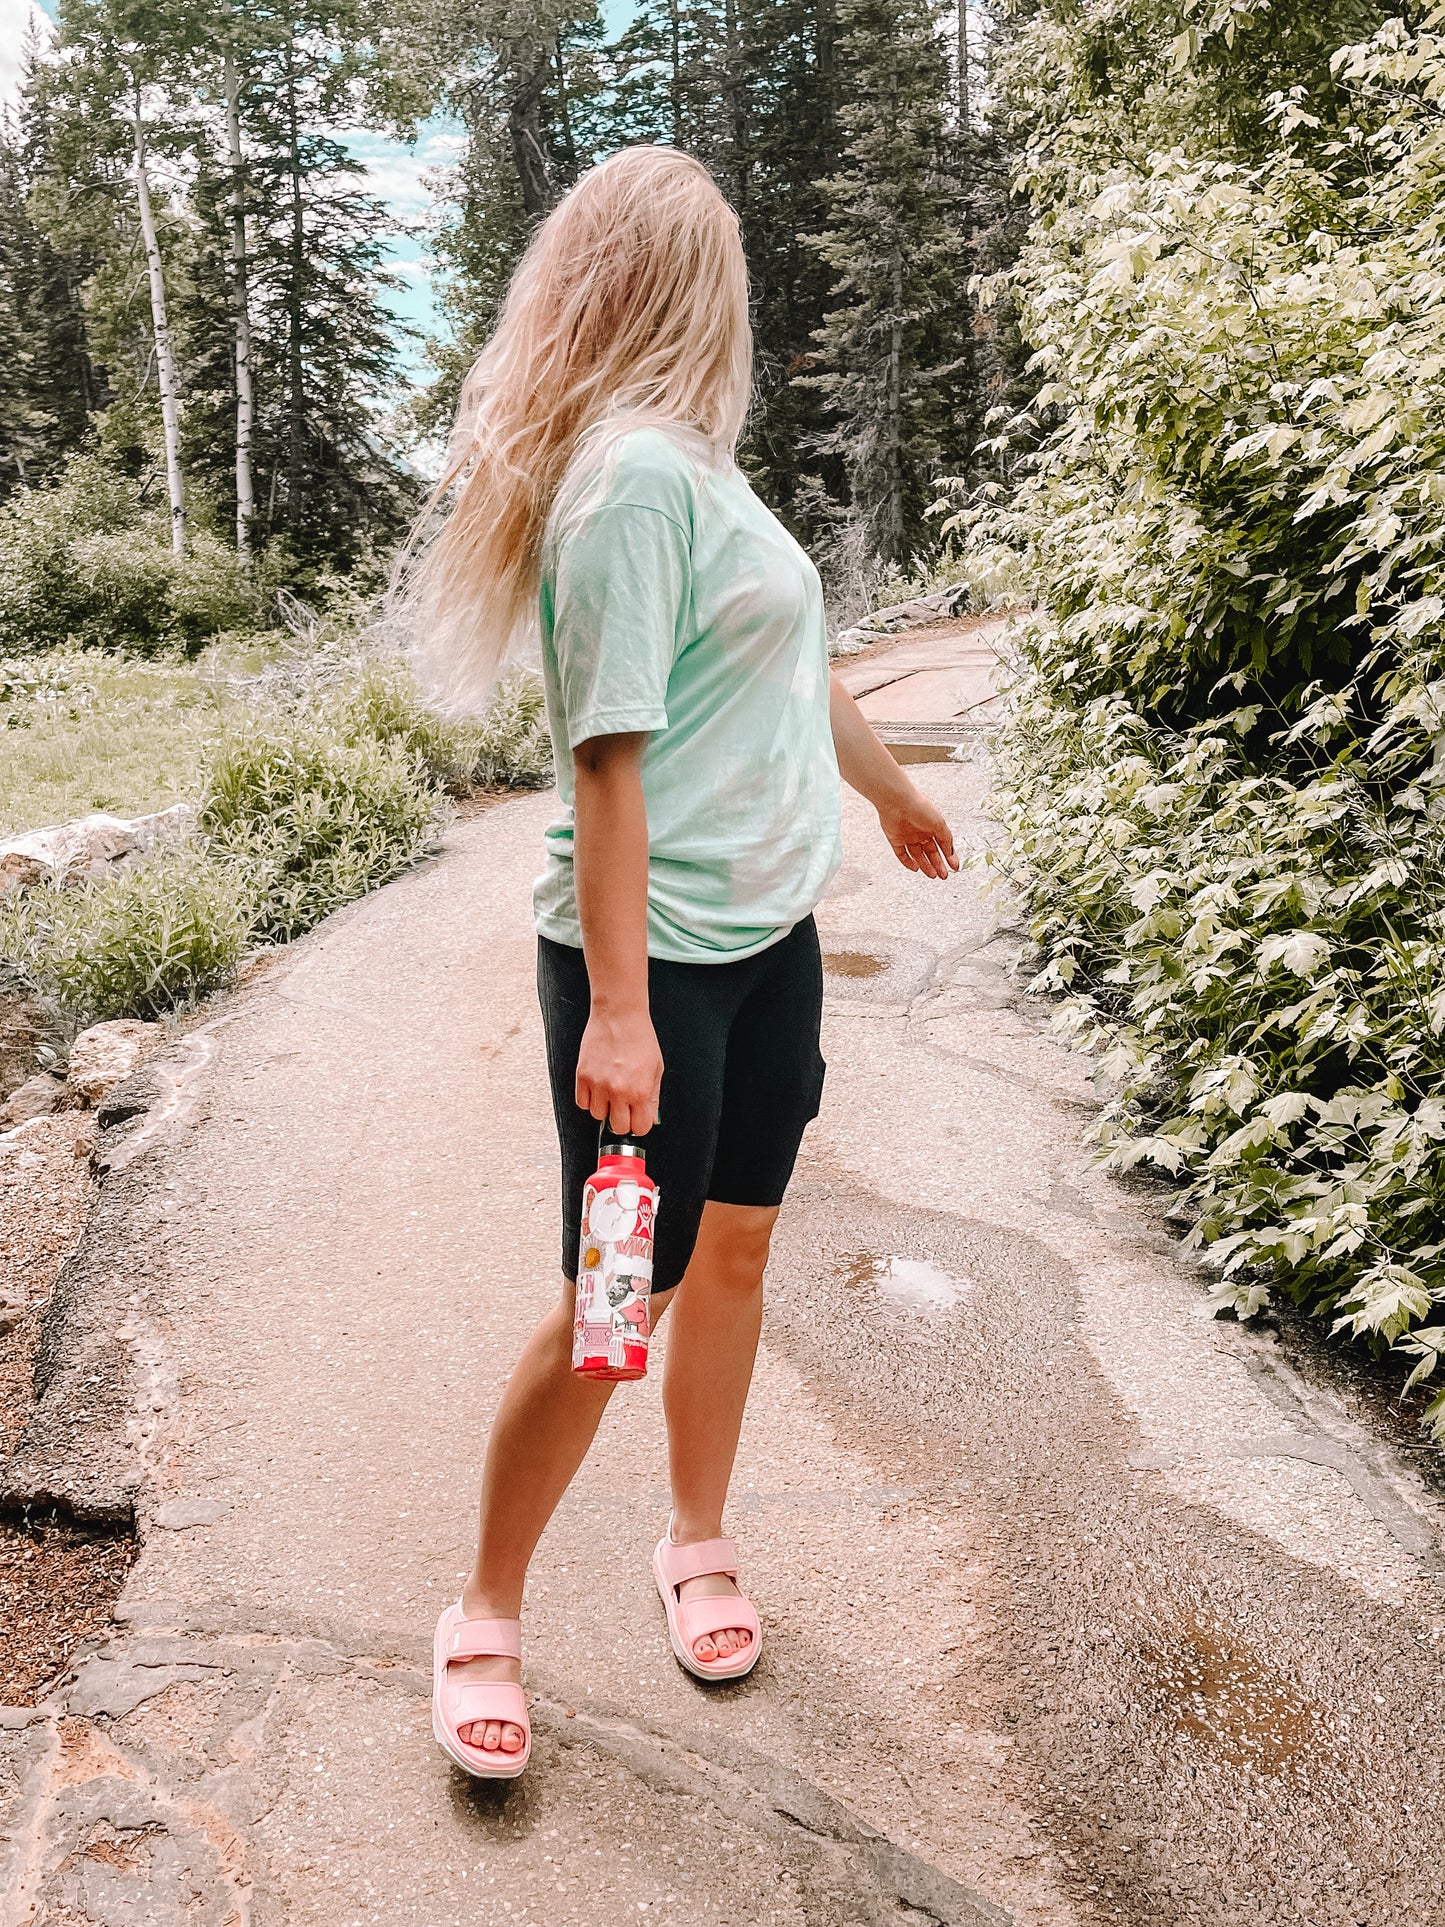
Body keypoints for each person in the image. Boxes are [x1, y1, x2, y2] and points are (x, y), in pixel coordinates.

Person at [412, 144, 958, 1780]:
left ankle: (694, 1536)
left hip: (768, 946)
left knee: (727, 1260)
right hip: (646, 970)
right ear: (682, 286)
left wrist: (899, 796)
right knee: (612, 1298)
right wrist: (627, 1013)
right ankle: (484, 1612)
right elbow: (604, 764)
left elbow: (802, 683)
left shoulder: (706, 481)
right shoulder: (631, 482)